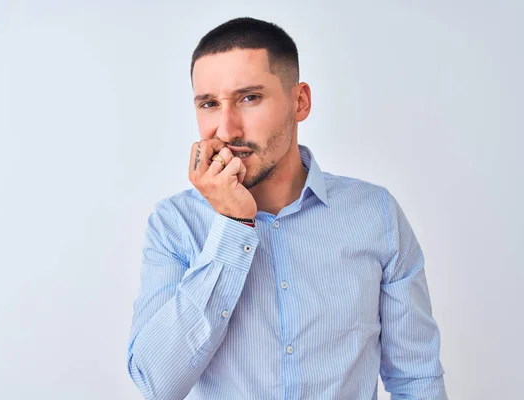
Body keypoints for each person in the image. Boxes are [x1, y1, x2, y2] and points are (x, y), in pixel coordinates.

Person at [127, 17, 447, 400]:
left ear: (300, 102)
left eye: (249, 98)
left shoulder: (375, 214)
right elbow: (156, 384)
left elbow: (416, 380)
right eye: (210, 104)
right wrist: (232, 225)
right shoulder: (174, 224)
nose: (226, 130)